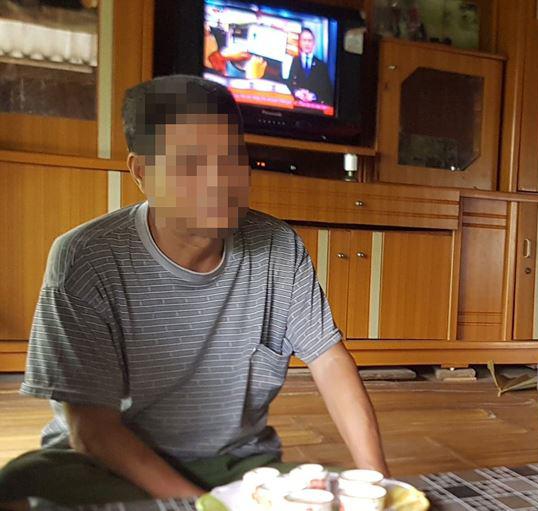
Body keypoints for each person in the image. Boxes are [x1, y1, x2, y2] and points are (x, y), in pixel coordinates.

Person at [0, 75, 388, 508]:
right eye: (190, 163)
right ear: (142, 172)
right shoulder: (86, 258)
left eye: (232, 158)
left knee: (327, 496)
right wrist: (204, 506)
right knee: (20, 488)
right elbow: (91, 430)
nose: (218, 181)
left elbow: (329, 361)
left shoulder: (279, 247)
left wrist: (380, 485)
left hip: (232, 463)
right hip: (111, 465)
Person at [287, 28, 333, 106]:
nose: (307, 43)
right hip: (297, 104)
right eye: (304, 40)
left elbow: (327, 90)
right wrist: (297, 92)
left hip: (315, 106)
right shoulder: (295, 61)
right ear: (300, 42)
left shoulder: (321, 65)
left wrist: (314, 96)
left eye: (309, 40)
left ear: (314, 43)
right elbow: (289, 82)